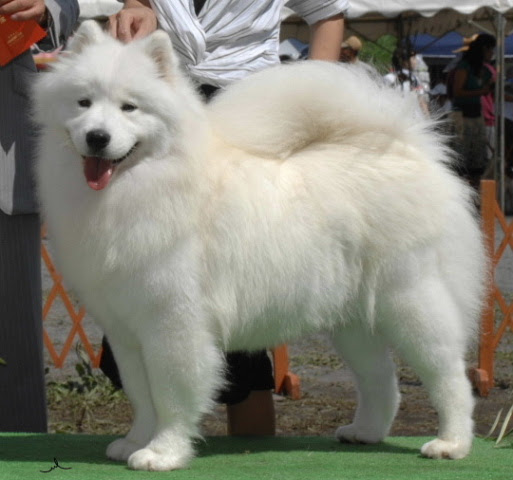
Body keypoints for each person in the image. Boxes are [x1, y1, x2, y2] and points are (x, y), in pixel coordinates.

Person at [101, 0, 347, 437]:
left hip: (247, 114)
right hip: (160, 110)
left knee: (239, 303)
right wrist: (138, 8)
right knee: (145, 300)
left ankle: (248, 460)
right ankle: (158, 439)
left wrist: (314, 101)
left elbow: (326, 11)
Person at [0, 0, 79, 432]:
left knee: (13, 329)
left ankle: (21, 452)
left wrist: (46, 7)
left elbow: (67, 5)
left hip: (5, 144)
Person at [448, 33, 496, 189]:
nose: (492, 54)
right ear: (483, 49)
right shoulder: (464, 66)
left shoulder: (484, 69)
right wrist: (480, 91)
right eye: (490, 50)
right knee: (462, 156)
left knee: (478, 157)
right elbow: (457, 91)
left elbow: (490, 88)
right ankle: (461, 190)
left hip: (477, 115)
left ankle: (476, 190)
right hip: (462, 115)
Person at [383, 44, 429, 116]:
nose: (416, 60)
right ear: (404, 61)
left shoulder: (389, 77)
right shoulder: (391, 78)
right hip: (412, 119)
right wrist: (427, 117)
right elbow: (421, 101)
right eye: (413, 58)